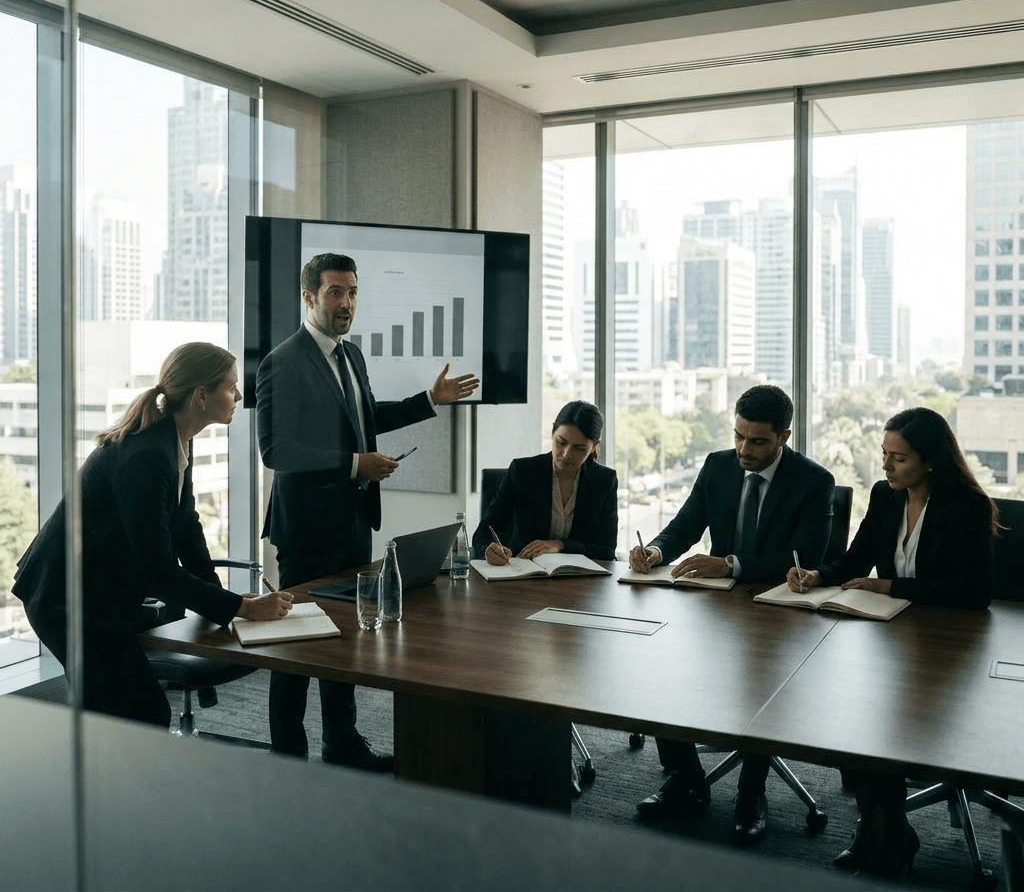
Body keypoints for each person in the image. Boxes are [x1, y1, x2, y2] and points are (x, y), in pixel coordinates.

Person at [256, 252, 479, 771]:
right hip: (308, 528)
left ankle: (343, 743)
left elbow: (364, 418)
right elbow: (276, 451)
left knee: (345, 641)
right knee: (295, 646)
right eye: (336, 292)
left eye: (353, 292)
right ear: (309, 296)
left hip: (354, 521)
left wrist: (429, 399)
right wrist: (357, 464)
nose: (347, 303)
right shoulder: (282, 362)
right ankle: (284, 754)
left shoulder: (351, 356)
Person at [13, 343, 292, 728]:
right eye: (231, 387)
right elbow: (158, 570)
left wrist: (226, 607)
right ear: (200, 396)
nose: (240, 396)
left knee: (132, 715)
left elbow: (186, 530)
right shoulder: (146, 455)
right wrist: (239, 608)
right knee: (136, 716)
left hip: (99, 594)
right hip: (65, 600)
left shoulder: (176, 439)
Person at [786, 406, 996, 878]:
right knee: (858, 719)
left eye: (898, 458)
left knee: (883, 727)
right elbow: (856, 559)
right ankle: (884, 826)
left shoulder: (967, 506)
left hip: (949, 649)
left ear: (931, 460)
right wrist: (818, 574)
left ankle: (885, 831)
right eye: (884, 454)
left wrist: (892, 587)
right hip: (892, 639)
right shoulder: (885, 496)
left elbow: (974, 595)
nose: (885, 466)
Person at [628, 385, 835, 845]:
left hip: (779, 609)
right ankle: (685, 779)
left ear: (784, 435)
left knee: (760, 683)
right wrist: (656, 550)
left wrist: (731, 563)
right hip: (716, 605)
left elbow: (805, 555)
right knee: (661, 668)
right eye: (739, 436)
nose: (743, 449)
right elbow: (685, 524)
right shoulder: (718, 465)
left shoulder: (813, 481)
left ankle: (751, 792)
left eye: (757, 441)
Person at [472, 401, 617, 564]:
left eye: (579, 448)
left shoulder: (604, 480)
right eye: (561, 442)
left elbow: (607, 550)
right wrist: (488, 549)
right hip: (524, 574)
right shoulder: (522, 472)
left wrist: (560, 545)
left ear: (593, 447)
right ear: (552, 432)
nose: (566, 454)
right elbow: (483, 532)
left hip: (580, 580)